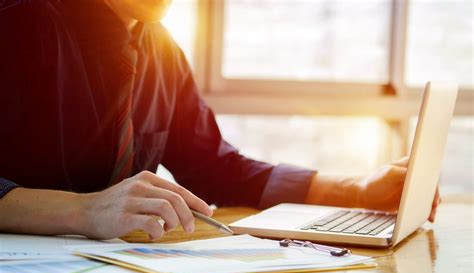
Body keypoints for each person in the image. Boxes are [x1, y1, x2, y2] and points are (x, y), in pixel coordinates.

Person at [0, 0, 439, 241]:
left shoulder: (161, 48)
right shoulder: (17, 20)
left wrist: (355, 189)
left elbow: (214, 166)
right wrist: (81, 211)